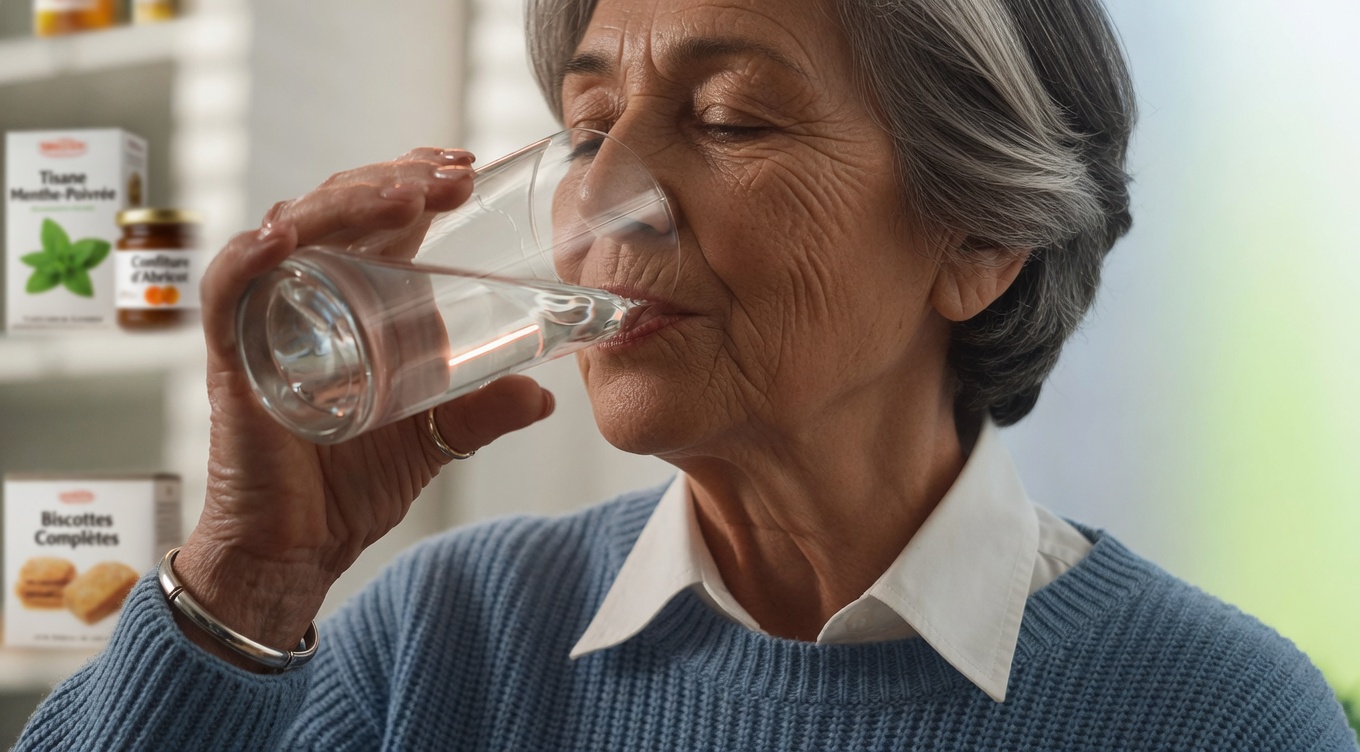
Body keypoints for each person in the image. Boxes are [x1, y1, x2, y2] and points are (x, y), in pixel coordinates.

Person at [16, 0, 1358, 749]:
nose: (606, 196)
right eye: (588, 123)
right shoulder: (446, 649)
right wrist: (245, 580)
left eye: (727, 118)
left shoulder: (1220, 716)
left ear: (981, 243)